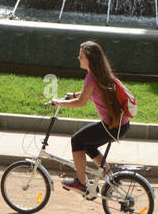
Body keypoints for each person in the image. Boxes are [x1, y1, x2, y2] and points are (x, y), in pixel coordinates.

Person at [49, 41, 136, 194]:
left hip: (112, 127)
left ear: (89, 59)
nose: (78, 58)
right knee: (88, 145)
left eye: (81, 56)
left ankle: (81, 183)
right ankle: (112, 179)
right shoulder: (101, 73)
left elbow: (81, 102)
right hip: (121, 125)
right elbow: (91, 94)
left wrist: (59, 103)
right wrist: (73, 95)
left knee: (76, 140)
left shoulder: (91, 77)